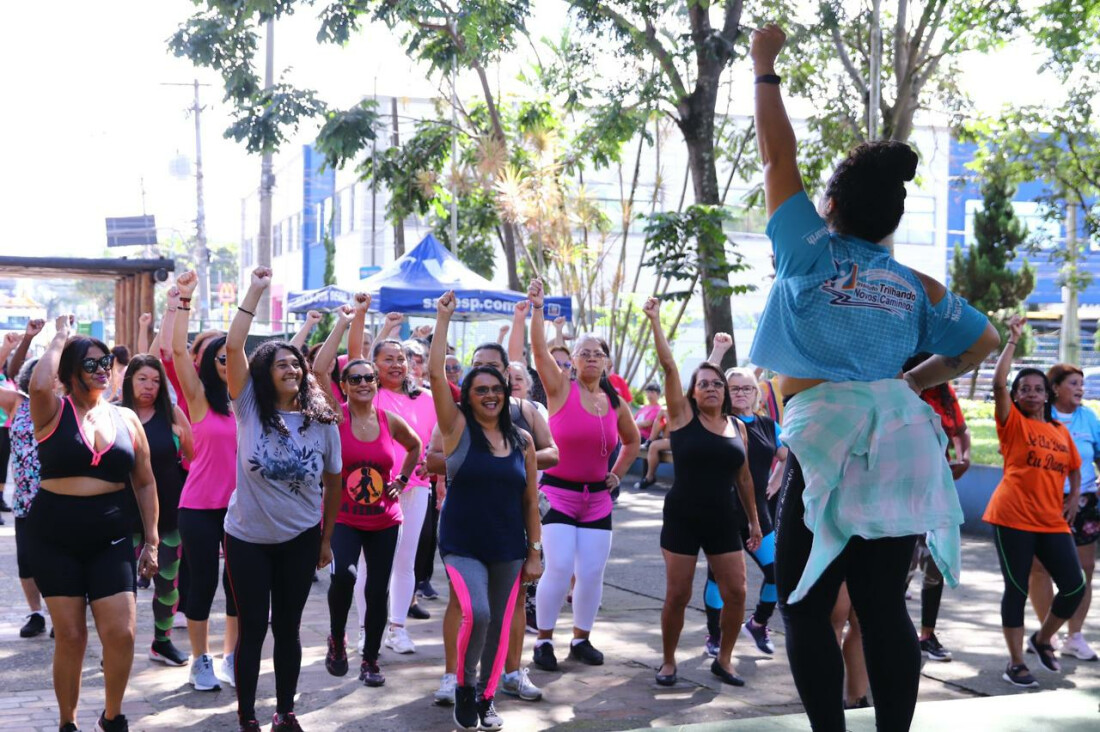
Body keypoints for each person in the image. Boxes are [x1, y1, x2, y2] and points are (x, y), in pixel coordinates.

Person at [749, 25, 999, 731]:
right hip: (900, 441)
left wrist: (765, 66)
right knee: (883, 606)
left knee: (802, 602)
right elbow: (984, 338)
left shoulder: (807, 250)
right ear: (891, 216)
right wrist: (916, 382)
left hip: (827, 440)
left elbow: (777, 156)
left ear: (829, 205)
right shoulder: (912, 284)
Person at [222, 267, 343, 732]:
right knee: (252, 627)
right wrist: (255, 291)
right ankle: (247, 715)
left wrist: (326, 539)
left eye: (297, 364)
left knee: (288, 627)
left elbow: (333, 482)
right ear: (264, 375)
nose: (291, 369)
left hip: (300, 537)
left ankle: (285, 712)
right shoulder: (249, 408)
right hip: (247, 537)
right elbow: (234, 346)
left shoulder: (323, 422)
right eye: (281, 364)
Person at [28, 315, 160, 732]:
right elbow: (37, 384)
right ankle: (68, 722)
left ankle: (112, 715)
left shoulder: (127, 419)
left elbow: (144, 482)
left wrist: (152, 540)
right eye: (91, 363)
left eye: (106, 362)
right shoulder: (52, 409)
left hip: (110, 534)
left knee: (121, 633)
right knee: (70, 636)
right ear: (70, 370)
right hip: (56, 536)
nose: (102, 369)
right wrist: (61, 337)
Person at [428, 291, 543, 730]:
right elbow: (438, 375)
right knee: (477, 612)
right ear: (469, 396)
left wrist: (535, 551)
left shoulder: (523, 440)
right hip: (461, 542)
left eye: (497, 389)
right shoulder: (456, 429)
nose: (490, 396)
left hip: (509, 545)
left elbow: (531, 501)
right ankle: (463, 683)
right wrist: (443, 319)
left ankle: (486, 697)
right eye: (481, 390)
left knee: (498, 625)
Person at [641, 299, 761, 687]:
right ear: (693, 392)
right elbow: (669, 366)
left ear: (726, 392)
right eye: (703, 383)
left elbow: (744, 480)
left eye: (717, 383)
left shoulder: (736, 427)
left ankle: (724, 660)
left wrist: (755, 523)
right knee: (678, 593)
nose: (710, 387)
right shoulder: (681, 418)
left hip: (723, 519)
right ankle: (669, 661)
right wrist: (656, 320)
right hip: (683, 517)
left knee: (738, 592)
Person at [526, 281, 641, 672]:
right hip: (558, 493)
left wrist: (617, 474)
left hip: (598, 499)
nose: (592, 358)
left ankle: (581, 638)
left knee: (591, 572)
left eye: (598, 354)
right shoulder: (560, 388)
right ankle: (543, 640)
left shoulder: (614, 400)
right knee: (558, 567)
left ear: (607, 362)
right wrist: (538, 309)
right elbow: (540, 352)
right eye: (584, 353)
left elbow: (633, 440)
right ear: (573, 360)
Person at [312, 302, 422, 687]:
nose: (362, 384)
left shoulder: (389, 420)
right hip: (343, 517)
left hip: (384, 518)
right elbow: (319, 369)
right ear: (344, 385)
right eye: (355, 379)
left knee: (378, 589)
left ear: (376, 384)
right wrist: (342, 321)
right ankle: (337, 637)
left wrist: (403, 479)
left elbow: (415, 446)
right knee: (343, 578)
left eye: (368, 379)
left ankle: (371, 660)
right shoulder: (335, 415)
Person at [984, 317, 1086, 688]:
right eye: (1022, 389)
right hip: (1011, 516)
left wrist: (1074, 495)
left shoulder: (1059, 431)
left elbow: (1075, 467)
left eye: (1036, 388)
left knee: (1074, 585)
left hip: (1050, 521)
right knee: (1018, 589)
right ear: (1016, 397)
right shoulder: (1012, 424)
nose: (1029, 393)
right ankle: (1015, 663)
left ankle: (1043, 639)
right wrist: (1012, 341)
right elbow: (998, 384)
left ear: (1047, 395)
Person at [172, 271, 239, 691]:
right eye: (222, 358)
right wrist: (184, 299)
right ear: (210, 365)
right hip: (197, 507)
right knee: (202, 586)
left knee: (238, 588)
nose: (230, 364)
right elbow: (177, 349)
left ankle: (232, 658)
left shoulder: (249, 401)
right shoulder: (199, 398)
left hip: (240, 509)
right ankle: (201, 661)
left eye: (235, 357)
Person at [698, 354, 788, 659]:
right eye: (734, 388)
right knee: (719, 579)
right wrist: (717, 353)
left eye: (747, 388)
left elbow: (790, 455)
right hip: (721, 513)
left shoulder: (767, 424)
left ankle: (759, 623)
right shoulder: (716, 422)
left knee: (778, 572)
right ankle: (715, 633)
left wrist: (775, 482)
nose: (740, 393)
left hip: (759, 514)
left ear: (756, 393)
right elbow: (695, 392)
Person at [119, 354, 194, 667]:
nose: (149, 386)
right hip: (123, 515)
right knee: (121, 589)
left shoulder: (171, 412)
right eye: (142, 379)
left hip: (168, 514)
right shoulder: (114, 414)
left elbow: (192, 453)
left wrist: (178, 437)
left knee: (167, 582)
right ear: (129, 381)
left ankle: (161, 643)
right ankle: (117, 646)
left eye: (155, 380)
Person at [901, 352, 972, 663]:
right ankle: (888, 631)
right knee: (903, 565)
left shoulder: (944, 391)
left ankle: (926, 635)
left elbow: (961, 430)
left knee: (934, 564)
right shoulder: (898, 389)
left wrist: (964, 457)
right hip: (899, 491)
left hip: (935, 490)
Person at [369, 335, 437, 654]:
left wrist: (432, 462)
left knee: (405, 560)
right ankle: (363, 631)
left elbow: (441, 437)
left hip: (415, 486)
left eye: (401, 359)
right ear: (374, 364)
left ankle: (397, 628)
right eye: (388, 359)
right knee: (369, 564)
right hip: (372, 488)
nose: (397, 365)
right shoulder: (368, 395)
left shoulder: (425, 399)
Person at [1028, 362, 1100, 661]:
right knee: (1040, 568)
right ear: (1055, 388)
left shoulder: (1089, 418)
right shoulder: (1041, 418)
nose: (1080, 388)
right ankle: (1049, 633)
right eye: (1073, 383)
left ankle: (1075, 636)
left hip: (1083, 502)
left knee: (1084, 569)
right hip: (1045, 503)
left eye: (1081, 383)